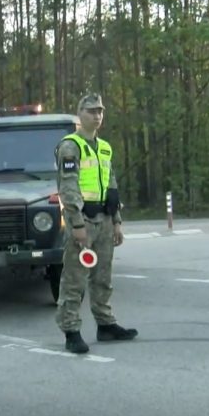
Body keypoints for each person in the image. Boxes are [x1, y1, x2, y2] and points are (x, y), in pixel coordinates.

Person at [55, 94, 138, 354]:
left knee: (103, 276)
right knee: (75, 278)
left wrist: (117, 221)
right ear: (80, 114)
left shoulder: (104, 147)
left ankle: (105, 325)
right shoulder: (70, 146)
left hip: (103, 220)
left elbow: (111, 186)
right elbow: (68, 189)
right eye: (91, 111)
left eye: (100, 111)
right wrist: (77, 225)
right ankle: (71, 330)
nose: (97, 116)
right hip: (84, 221)